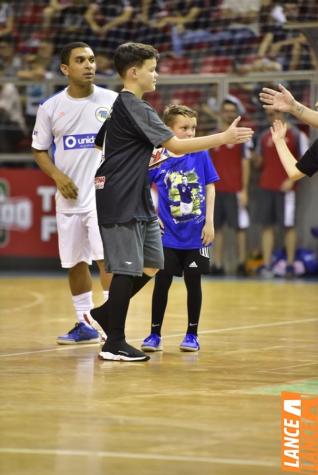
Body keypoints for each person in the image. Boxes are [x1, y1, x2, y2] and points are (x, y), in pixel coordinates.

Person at [89, 42, 254, 362]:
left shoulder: (125, 107)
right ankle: (115, 342)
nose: (157, 75)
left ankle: (107, 313)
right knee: (125, 267)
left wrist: (137, 158)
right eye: (152, 69)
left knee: (154, 260)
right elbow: (177, 146)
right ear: (134, 73)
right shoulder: (135, 105)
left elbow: (101, 141)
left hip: (136, 195)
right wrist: (223, 138)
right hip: (120, 195)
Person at [31, 42, 117, 344]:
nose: (89, 65)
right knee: (75, 262)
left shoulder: (113, 101)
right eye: (80, 60)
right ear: (65, 69)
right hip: (68, 198)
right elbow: (39, 150)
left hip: (102, 197)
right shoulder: (51, 108)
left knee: (106, 260)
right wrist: (57, 175)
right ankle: (85, 323)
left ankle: (113, 327)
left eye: (92, 60)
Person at [140, 104, 219, 353]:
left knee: (193, 284)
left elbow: (210, 186)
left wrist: (209, 221)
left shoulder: (200, 154)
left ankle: (192, 334)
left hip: (197, 236)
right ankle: (154, 334)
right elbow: (140, 186)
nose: (190, 133)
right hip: (167, 237)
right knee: (161, 283)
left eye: (193, 128)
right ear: (168, 129)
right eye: (184, 128)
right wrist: (153, 215)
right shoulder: (159, 156)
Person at [253, 109, 308, 278]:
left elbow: (306, 161)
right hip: (266, 186)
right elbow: (258, 162)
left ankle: (290, 264)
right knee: (266, 226)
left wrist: (292, 180)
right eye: (269, 114)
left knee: (288, 226)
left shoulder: (297, 135)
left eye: (275, 113)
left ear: (283, 114)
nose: (272, 117)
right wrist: (254, 158)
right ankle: (267, 264)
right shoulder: (263, 136)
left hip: (286, 188)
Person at [209, 96, 251, 276]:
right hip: (216, 191)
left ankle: (242, 263)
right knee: (216, 229)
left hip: (235, 191)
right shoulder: (213, 137)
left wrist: (244, 189)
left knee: (239, 228)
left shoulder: (241, 137)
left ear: (236, 113)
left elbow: (245, 164)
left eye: (231, 111)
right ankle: (216, 264)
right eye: (225, 110)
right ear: (221, 113)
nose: (228, 114)